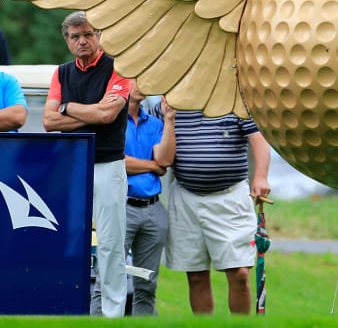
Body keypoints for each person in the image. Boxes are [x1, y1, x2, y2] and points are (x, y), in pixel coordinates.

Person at [43, 11, 131, 317]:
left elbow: (108, 116)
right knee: (68, 240)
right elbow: (48, 121)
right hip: (73, 166)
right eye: (75, 36)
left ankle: (112, 316)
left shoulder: (119, 67)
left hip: (108, 165)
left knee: (109, 244)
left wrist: (68, 107)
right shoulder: (62, 73)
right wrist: (89, 113)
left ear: (99, 35)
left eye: (88, 34)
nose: (82, 40)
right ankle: (67, 309)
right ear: (67, 41)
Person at [163, 110, 272, 315]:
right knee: (196, 276)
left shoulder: (233, 99)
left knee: (239, 273)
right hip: (186, 196)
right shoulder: (174, 100)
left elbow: (259, 137)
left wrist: (261, 176)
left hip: (230, 198)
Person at [96, 81, 176, 316]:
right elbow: (119, 162)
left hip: (153, 210)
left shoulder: (154, 122)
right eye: (135, 78)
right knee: (107, 281)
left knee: (146, 285)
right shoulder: (110, 121)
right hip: (121, 206)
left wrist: (169, 119)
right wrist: (152, 165)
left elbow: (166, 160)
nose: (143, 83)